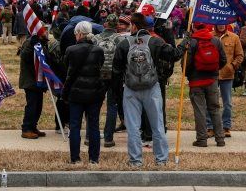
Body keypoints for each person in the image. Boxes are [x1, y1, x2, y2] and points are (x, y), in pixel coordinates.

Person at [111, 12, 184, 167]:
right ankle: (161, 160)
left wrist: (118, 94)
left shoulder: (124, 44)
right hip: (152, 87)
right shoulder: (155, 41)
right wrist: (186, 42)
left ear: (134, 26)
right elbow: (175, 55)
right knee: (157, 125)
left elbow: (116, 72)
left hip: (130, 89)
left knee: (133, 128)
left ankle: (135, 161)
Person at [63, 21, 106, 164]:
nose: (75, 36)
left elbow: (68, 72)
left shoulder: (70, 50)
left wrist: (65, 92)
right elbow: (100, 68)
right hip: (94, 93)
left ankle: (75, 158)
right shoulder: (99, 50)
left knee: (75, 126)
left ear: (80, 34)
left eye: (76, 33)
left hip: (76, 93)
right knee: (93, 126)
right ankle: (94, 158)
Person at [183, 22, 226, 148]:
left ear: (193, 27)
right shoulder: (216, 40)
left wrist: (188, 75)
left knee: (200, 110)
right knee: (215, 109)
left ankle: (202, 139)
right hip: (212, 80)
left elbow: (187, 63)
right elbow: (223, 60)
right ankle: (220, 139)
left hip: (196, 81)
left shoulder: (192, 41)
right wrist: (214, 71)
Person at [93, 13, 125, 147]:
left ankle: (90, 136)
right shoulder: (120, 39)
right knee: (112, 106)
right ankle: (108, 138)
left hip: (97, 75)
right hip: (113, 76)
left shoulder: (96, 38)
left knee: (94, 106)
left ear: (105, 24)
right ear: (117, 25)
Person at [207, 22, 243, 138]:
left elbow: (240, 55)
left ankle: (226, 127)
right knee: (211, 101)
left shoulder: (234, 37)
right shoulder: (209, 36)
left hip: (227, 75)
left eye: (224, 23)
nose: (221, 25)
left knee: (227, 103)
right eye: (219, 23)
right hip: (212, 74)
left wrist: (232, 66)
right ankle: (210, 127)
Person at [18, 30, 49, 139]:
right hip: (30, 80)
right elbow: (25, 56)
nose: (46, 32)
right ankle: (26, 129)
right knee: (32, 105)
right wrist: (32, 45)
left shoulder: (42, 42)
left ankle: (33, 126)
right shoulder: (29, 42)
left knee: (38, 106)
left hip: (39, 80)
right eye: (44, 30)